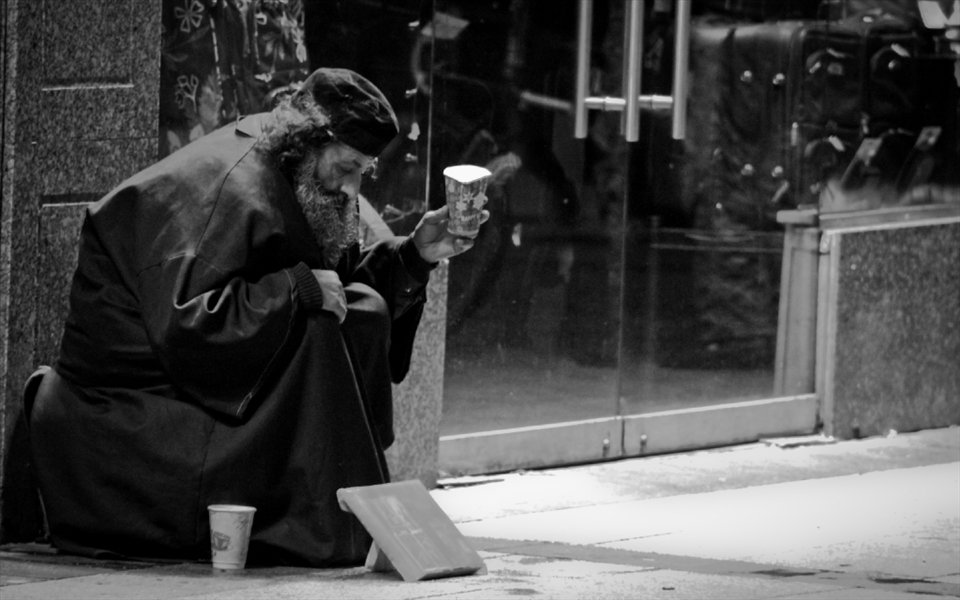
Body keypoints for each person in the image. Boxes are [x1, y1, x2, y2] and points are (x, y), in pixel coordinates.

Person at [25, 68, 488, 567]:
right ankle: (324, 520)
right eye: (348, 167)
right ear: (312, 140)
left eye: (364, 172)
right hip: (137, 398)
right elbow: (186, 325)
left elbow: (349, 284)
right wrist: (297, 288)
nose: (354, 188)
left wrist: (415, 254)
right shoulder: (229, 184)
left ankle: (348, 508)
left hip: (207, 372)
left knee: (363, 312)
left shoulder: (309, 175)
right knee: (314, 327)